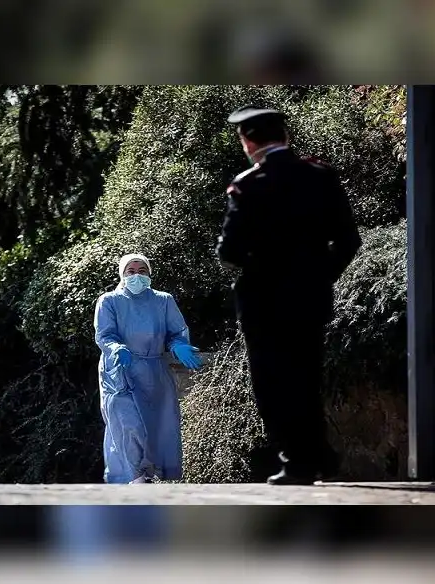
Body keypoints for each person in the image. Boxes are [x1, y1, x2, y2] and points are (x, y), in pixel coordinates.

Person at [216, 105, 363, 485]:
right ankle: (318, 456)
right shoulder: (321, 176)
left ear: (248, 142)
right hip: (310, 296)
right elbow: (348, 240)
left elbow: (228, 250)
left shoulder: (248, 185)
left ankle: (298, 460)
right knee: (307, 375)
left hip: (263, 300)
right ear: (285, 138)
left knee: (273, 381)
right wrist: (318, 275)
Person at [94, 253, 202, 484]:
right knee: (128, 425)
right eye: (130, 271)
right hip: (120, 370)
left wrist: (179, 346)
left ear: (150, 274)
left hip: (154, 372)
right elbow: (104, 334)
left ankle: (150, 477)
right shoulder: (109, 301)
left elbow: (176, 332)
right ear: (122, 275)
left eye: (142, 271)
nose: (136, 276)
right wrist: (116, 348)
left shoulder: (163, 300)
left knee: (156, 428)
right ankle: (134, 478)